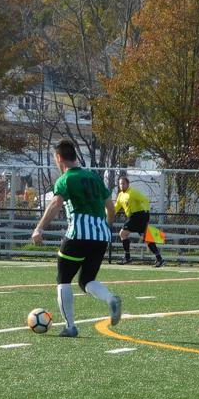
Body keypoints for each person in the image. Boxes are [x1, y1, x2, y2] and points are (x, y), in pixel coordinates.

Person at [31, 140, 122, 337]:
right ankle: (110, 299)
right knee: (86, 280)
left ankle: (70, 326)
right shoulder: (94, 177)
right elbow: (111, 208)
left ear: (59, 158)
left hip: (78, 235)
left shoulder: (65, 179)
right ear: (74, 156)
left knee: (63, 279)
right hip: (101, 236)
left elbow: (55, 204)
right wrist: (105, 225)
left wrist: (39, 228)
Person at [114, 176, 164, 267]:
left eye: (123, 183)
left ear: (128, 184)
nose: (121, 185)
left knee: (123, 233)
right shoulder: (120, 195)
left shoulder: (132, 192)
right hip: (134, 217)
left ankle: (127, 257)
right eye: (120, 184)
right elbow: (116, 207)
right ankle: (159, 259)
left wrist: (147, 212)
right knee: (146, 238)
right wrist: (107, 214)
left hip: (138, 215)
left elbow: (145, 200)